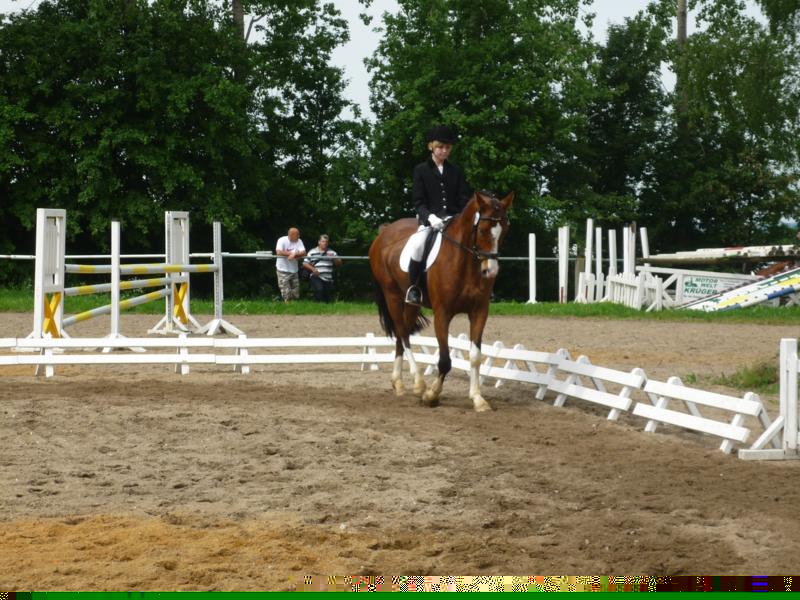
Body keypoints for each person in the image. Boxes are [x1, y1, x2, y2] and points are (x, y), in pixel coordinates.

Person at [405, 124, 472, 305]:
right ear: (431, 147)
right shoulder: (421, 170)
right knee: (418, 245)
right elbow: (418, 201)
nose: (444, 151)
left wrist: (463, 216)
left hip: (454, 220)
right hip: (430, 221)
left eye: (447, 148)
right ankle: (414, 288)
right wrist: (430, 217)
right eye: (440, 147)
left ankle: (479, 286)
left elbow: (463, 198)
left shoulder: (455, 171)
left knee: (476, 242)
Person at [303, 234, 343, 303]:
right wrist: (313, 269)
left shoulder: (332, 252)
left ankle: (322, 306)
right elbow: (305, 263)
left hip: (328, 278)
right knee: (319, 290)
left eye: (326, 242)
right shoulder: (312, 252)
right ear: (319, 242)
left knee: (327, 298)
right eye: (323, 241)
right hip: (316, 276)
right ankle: (317, 305)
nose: (325, 243)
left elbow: (339, 264)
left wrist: (334, 258)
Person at [275, 227, 306, 302]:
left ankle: (294, 306)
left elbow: (304, 252)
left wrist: (294, 254)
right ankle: (287, 306)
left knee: (295, 292)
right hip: (282, 270)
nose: (298, 236)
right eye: (297, 235)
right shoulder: (282, 240)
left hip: (294, 270)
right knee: (286, 292)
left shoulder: (299, 241)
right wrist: (290, 254)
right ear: (291, 235)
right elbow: (278, 252)